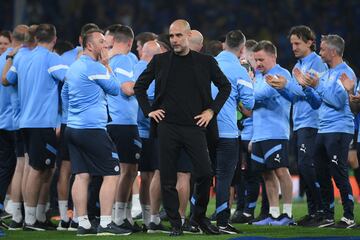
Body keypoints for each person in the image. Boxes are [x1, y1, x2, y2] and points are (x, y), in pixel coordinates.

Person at [134, 19, 231, 236]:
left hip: (195, 127)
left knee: (205, 173)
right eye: (171, 36)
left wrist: (211, 111)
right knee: (167, 177)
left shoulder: (205, 62)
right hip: (167, 127)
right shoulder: (160, 61)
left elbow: (225, 87)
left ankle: (198, 218)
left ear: (188, 36)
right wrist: (149, 110)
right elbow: (139, 87)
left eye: (179, 35)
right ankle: (176, 224)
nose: (175, 39)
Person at [64, 28, 132, 236]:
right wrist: (106, 64)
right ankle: (105, 223)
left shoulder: (73, 67)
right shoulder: (96, 67)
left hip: (73, 128)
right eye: (102, 42)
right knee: (112, 173)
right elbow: (114, 88)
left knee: (82, 175)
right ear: (91, 46)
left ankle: (83, 223)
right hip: (92, 129)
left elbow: (64, 94)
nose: (106, 45)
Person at [3, 24, 66, 231]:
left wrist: (12, 56)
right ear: (54, 39)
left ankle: (24, 216)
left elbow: (7, 80)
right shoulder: (50, 57)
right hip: (42, 122)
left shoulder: (21, 57)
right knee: (36, 170)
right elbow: (70, 78)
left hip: (23, 121)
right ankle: (30, 220)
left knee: (35, 168)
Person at [269, 25, 326, 226]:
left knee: (307, 165)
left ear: (310, 42)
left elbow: (314, 94)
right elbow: (294, 96)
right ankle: (313, 211)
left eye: (297, 43)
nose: (293, 47)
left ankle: (321, 210)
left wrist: (289, 84)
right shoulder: (299, 64)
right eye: (292, 43)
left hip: (313, 121)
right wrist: (280, 88)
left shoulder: (317, 63)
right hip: (300, 122)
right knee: (304, 167)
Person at [298, 34, 356, 228]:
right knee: (322, 173)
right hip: (323, 129)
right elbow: (317, 103)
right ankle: (328, 215)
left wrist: (317, 85)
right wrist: (306, 88)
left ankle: (348, 216)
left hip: (339, 129)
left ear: (332, 51)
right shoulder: (328, 73)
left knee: (338, 172)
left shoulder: (345, 73)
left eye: (322, 49)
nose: (320, 52)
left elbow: (339, 102)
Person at [56, 23, 99, 231]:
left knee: (72, 171)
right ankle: (77, 217)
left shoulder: (66, 59)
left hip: (69, 123)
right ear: (86, 42)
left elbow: (63, 91)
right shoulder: (92, 62)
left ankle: (69, 218)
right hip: (86, 125)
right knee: (83, 172)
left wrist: (64, 117)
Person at [212, 30, 254, 234]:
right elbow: (249, 103)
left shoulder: (209, 64)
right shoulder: (240, 71)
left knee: (200, 175)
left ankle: (195, 219)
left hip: (204, 128)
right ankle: (221, 222)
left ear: (224, 45)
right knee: (224, 177)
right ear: (242, 49)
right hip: (227, 130)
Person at [250, 41, 294, 226]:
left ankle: (288, 214)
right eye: (256, 60)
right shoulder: (260, 77)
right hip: (259, 133)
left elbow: (258, 96)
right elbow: (252, 101)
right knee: (266, 174)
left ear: (273, 57)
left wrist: (249, 86)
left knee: (281, 171)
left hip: (276, 132)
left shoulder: (280, 74)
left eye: (261, 59)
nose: (258, 63)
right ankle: (274, 214)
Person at [104, 24, 141, 232]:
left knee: (122, 171)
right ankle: (118, 218)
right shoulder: (125, 59)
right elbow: (128, 89)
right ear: (129, 43)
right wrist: (143, 85)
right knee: (127, 171)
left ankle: (123, 216)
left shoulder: (107, 60)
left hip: (111, 121)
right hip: (124, 122)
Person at [0, 24, 28, 230]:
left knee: (9, 167)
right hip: (15, 122)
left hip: (7, 122)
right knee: (20, 167)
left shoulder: (5, 60)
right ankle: (20, 212)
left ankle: (10, 207)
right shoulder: (20, 59)